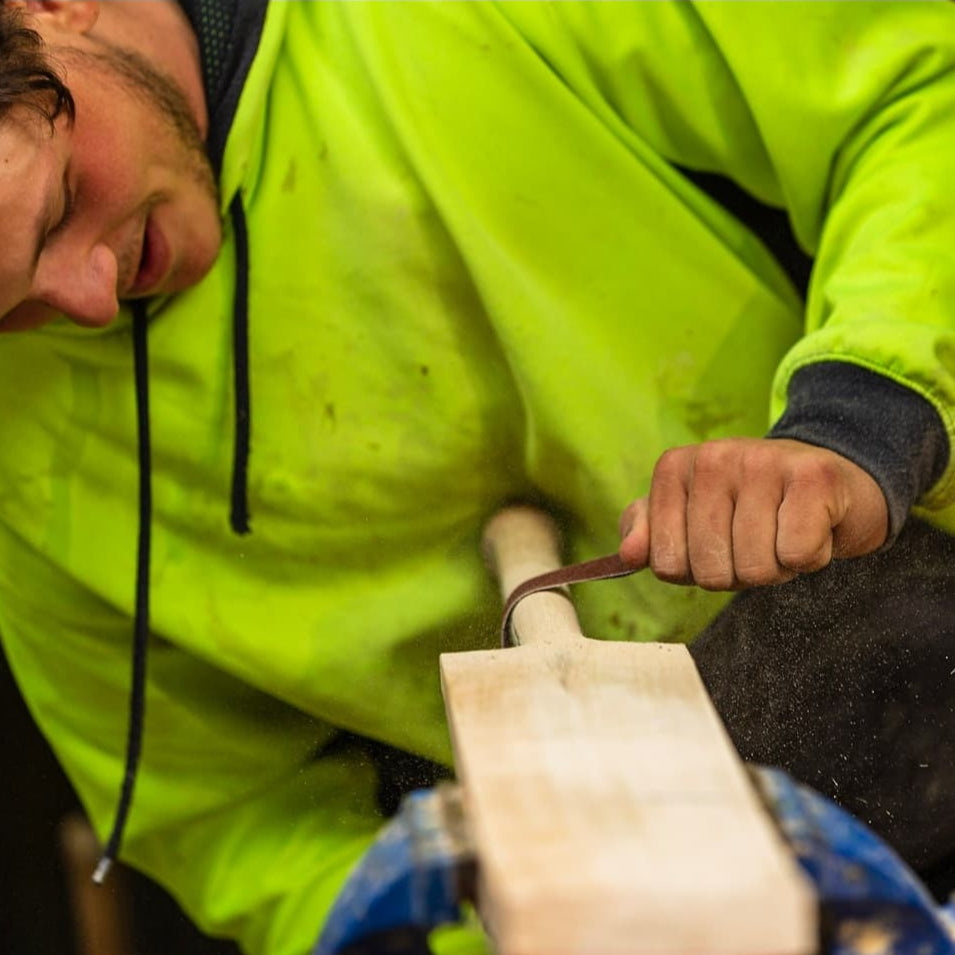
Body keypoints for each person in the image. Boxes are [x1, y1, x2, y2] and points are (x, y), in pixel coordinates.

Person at [1, 1, 955, 952]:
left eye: (62, 205)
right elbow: (232, 826)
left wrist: (861, 418)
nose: (87, 298)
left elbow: (914, 90)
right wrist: (473, 934)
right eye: (10, 309)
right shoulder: (20, 441)